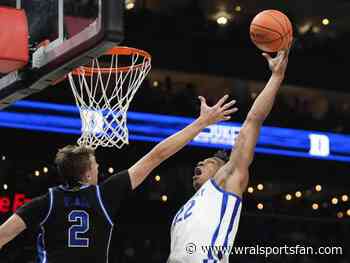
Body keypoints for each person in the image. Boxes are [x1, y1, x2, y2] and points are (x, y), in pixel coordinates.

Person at [0, 94, 237, 263]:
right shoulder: (103, 195)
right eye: (96, 165)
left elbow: (3, 235)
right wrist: (201, 122)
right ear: (88, 173)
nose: (99, 167)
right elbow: (157, 155)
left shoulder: (45, 202)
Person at [167, 48, 290, 263]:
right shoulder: (183, 211)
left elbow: (252, 121)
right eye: (202, 160)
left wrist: (276, 77)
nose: (201, 162)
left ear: (223, 169)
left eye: (210, 162)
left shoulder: (226, 180)